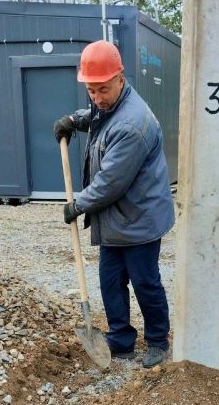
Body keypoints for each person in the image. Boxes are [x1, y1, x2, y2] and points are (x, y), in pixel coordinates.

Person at [54, 39, 174, 368]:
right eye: (90, 90)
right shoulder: (110, 105)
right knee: (110, 281)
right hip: (116, 218)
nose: (96, 97)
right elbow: (97, 115)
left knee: (145, 282)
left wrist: (78, 205)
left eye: (102, 89)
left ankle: (158, 341)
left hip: (140, 218)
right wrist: (75, 120)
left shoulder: (133, 125)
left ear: (120, 78)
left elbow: (110, 183)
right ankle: (120, 340)